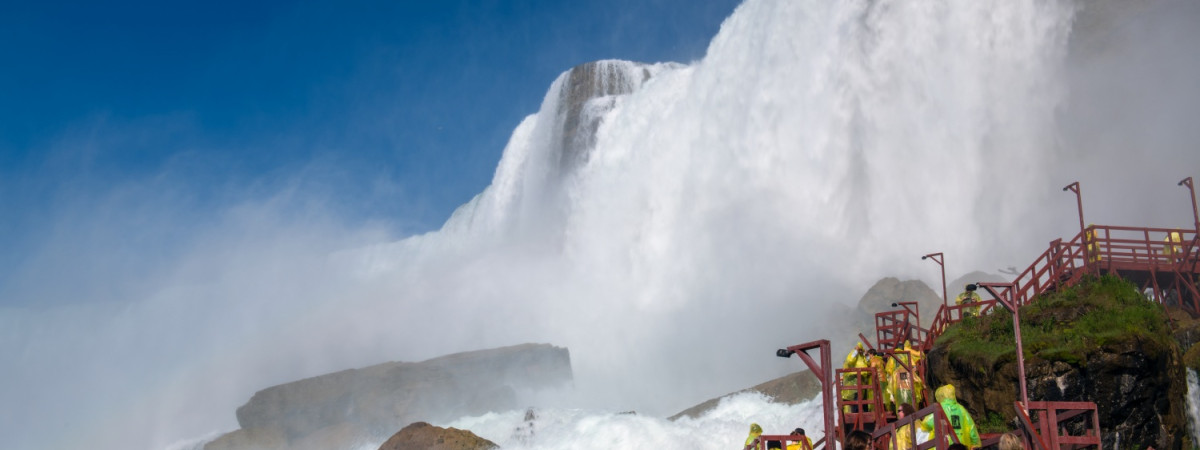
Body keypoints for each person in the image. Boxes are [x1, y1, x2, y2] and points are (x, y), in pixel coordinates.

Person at [920, 384, 981, 450]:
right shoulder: (962, 410)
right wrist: (975, 444)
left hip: (942, 446)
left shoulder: (939, 409)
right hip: (960, 446)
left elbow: (925, 424)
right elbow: (972, 428)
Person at [842, 342, 869, 412]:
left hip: (862, 381)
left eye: (861, 350)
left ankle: (859, 411)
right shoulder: (853, 354)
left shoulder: (862, 357)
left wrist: (867, 356)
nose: (860, 351)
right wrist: (855, 351)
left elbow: (868, 363)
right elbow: (849, 361)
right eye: (859, 350)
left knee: (860, 399)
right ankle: (856, 412)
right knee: (856, 399)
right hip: (853, 381)